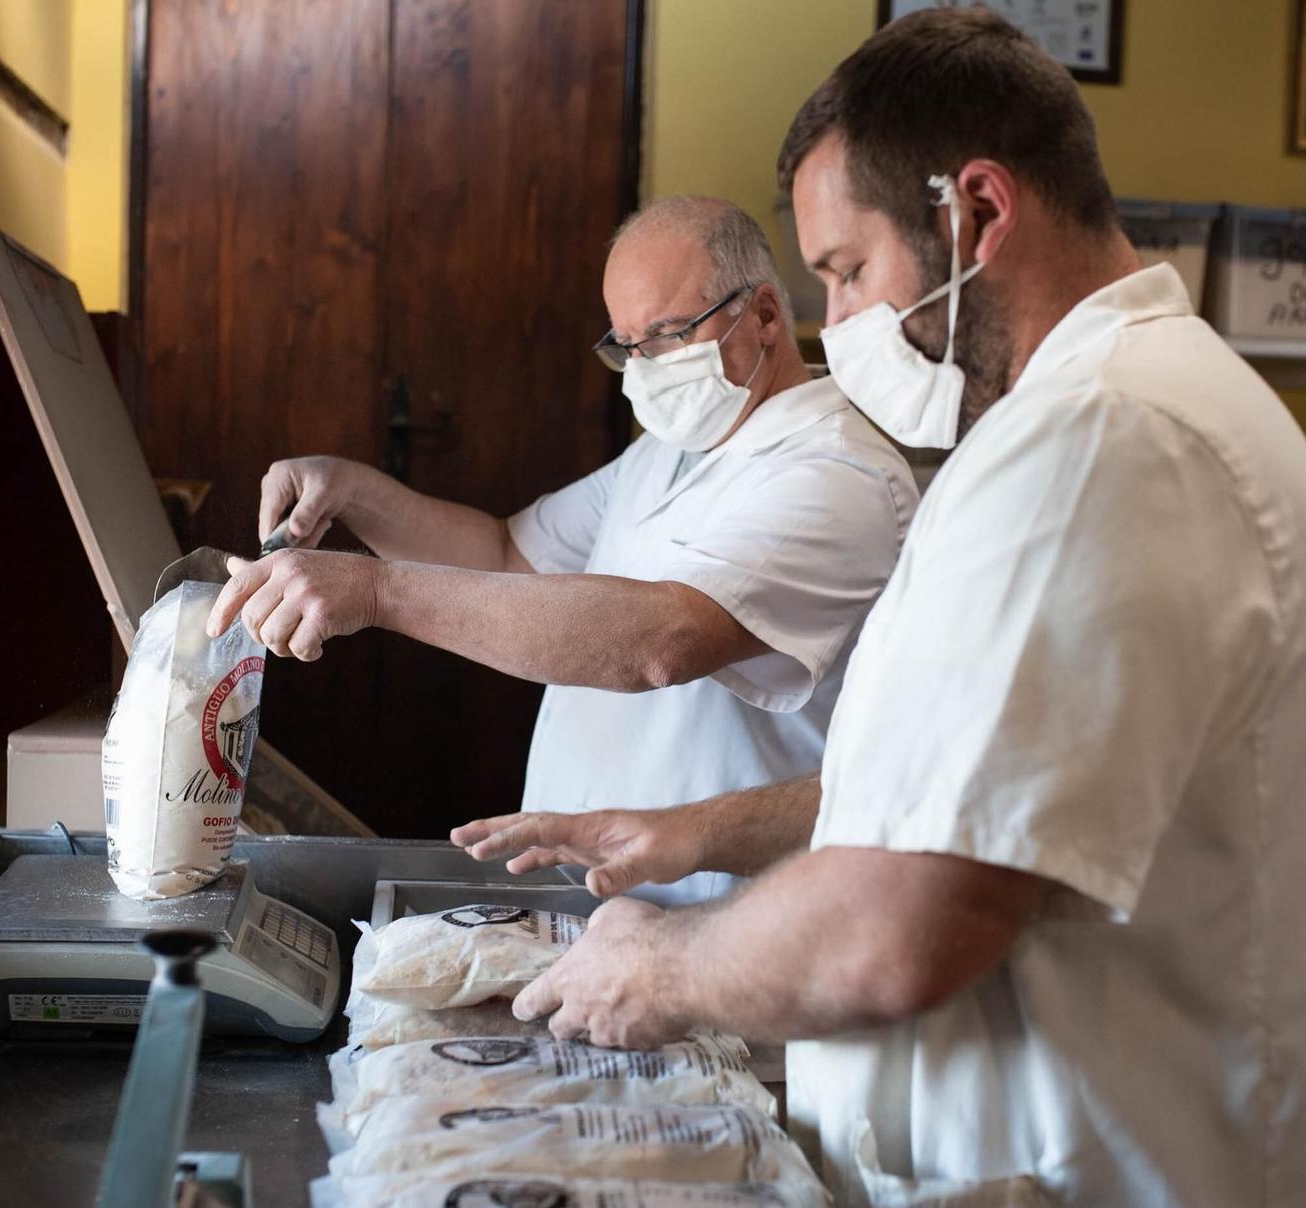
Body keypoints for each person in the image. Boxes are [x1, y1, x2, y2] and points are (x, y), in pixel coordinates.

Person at [451, 11, 1306, 1208]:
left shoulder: (1108, 443)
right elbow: (952, 787)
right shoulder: (1054, 435)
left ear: (979, 210)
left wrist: (664, 967)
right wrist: (703, 831)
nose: (830, 325)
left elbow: (912, 921)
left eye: (842, 270)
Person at [209, 196, 917, 905]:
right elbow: (506, 552)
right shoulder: (670, 452)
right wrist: (353, 493)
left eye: (668, 335)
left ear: (763, 314)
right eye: (626, 346)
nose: (644, 369)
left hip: (731, 915)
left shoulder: (836, 472)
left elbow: (663, 640)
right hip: (600, 906)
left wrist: (377, 592)